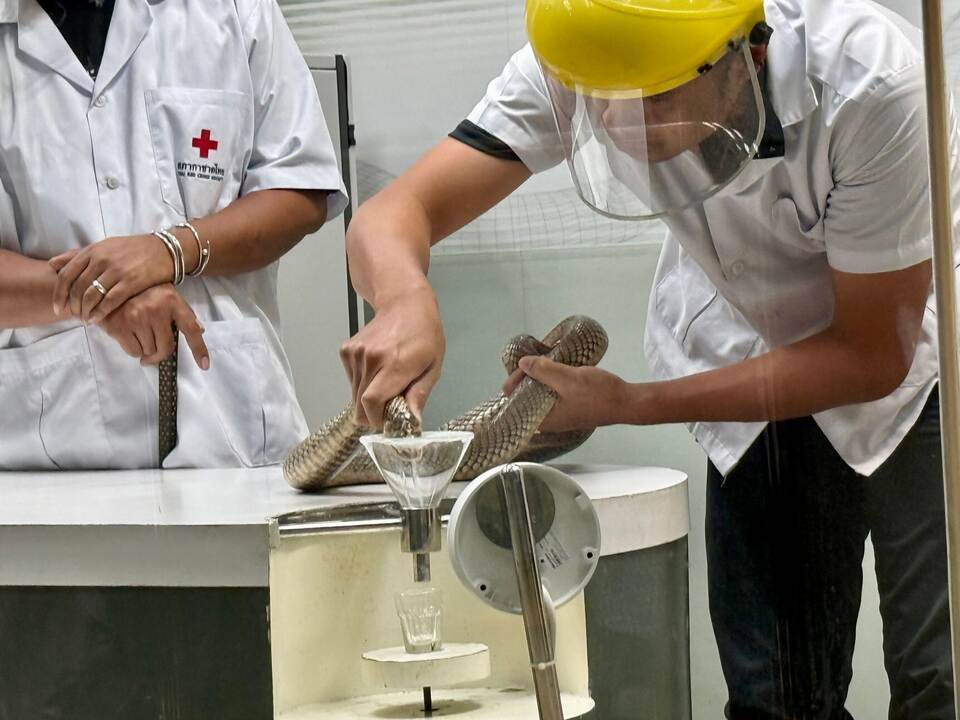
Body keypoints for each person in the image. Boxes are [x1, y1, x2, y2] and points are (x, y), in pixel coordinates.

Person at [341, 0, 957, 717]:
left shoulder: (871, 82)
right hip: (747, 349)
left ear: (747, 55)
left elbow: (871, 355)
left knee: (939, 679)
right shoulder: (587, 50)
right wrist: (405, 298)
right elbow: (394, 214)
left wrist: (630, 403)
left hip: (916, 362)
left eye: (658, 98)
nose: (625, 123)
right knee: (777, 698)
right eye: (605, 101)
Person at [0, 0, 347, 469]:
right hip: (47, 449)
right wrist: (100, 296)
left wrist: (172, 250)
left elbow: (299, 188)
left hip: (228, 429)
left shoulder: (231, 9)